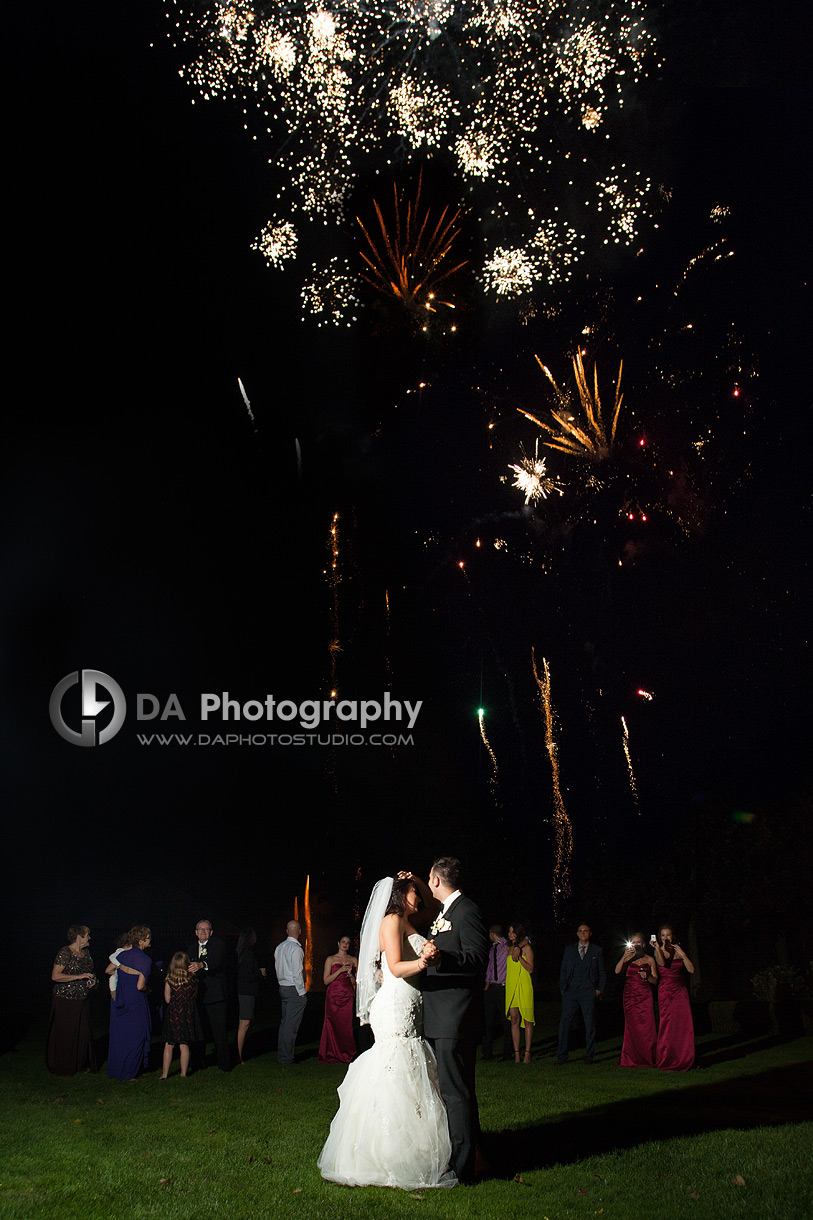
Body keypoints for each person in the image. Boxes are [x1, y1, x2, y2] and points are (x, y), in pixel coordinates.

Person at [318, 874, 455, 1189]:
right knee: (396, 1067)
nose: (418, 898)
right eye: (412, 893)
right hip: (395, 1002)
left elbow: (431, 899)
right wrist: (423, 962)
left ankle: (414, 1147)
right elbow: (394, 966)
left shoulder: (405, 919)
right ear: (399, 895)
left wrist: (414, 878)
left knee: (409, 1067)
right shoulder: (392, 921)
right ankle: (389, 1153)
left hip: (408, 1001)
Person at [421, 857, 490, 1185]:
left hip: (455, 1016)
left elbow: (477, 958)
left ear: (435, 880)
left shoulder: (467, 910)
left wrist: (442, 957)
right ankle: (474, 1155)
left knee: (455, 1092)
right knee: (456, 1090)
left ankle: (463, 1168)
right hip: (442, 1015)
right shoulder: (445, 911)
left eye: (428, 879)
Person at [46, 925, 98, 1076]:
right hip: (65, 1000)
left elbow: (90, 973)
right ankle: (63, 1065)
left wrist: (93, 981)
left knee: (83, 1033)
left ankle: (80, 1064)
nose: (90, 938)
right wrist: (77, 977)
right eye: (87, 935)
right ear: (79, 937)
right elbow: (55, 976)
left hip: (82, 999)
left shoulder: (86, 953)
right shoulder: (65, 952)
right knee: (66, 1033)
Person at [106, 925, 152, 1081]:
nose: (150, 940)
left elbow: (109, 970)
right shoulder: (145, 959)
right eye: (148, 938)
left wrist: (124, 970)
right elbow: (140, 986)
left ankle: (117, 1069)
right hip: (135, 1000)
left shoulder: (123, 955)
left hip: (120, 998)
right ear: (141, 941)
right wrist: (148, 990)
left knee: (121, 1035)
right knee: (136, 1035)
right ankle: (129, 1073)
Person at [557, 922, 606, 1064]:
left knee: (589, 1024)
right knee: (564, 1024)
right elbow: (564, 970)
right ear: (577, 933)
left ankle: (589, 1056)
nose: (583, 933)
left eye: (586, 931)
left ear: (590, 934)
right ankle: (561, 1055)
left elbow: (602, 972)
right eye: (580, 931)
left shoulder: (597, 951)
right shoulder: (569, 949)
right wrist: (563, 988)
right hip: (570, 991)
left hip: (588, 992)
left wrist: (598, 990)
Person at [187, 919, 230, 1071]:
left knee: (219, 1031)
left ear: (211, 932)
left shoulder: (218, 945)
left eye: (206, 929)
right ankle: (198, 1063)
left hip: (215, 995)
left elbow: (216, 961)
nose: (203, 932)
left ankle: (224, 1064)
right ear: (196, 932)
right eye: (200, 929)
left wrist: (202, 965)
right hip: (197, 996)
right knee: (198, 1031)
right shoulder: (191, 948)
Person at [653, 924, 696, 1070]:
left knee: (683, 1024)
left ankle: (685, 1057)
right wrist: (658, 948)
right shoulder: (658, 951)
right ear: (660, 937)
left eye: (668, 935)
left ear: (673, 937)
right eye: (663, 935)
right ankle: (667, 1057)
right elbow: (661, 963)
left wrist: (683, 955)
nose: (666, 938)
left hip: (680, 991)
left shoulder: (679, 952)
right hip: (666, 991)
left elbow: (691, 969)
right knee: (668, 1024)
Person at [615, 933, 658, 1067]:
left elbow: (655, 980)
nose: (636, 945)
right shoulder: (628, 959)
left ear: (643, 944)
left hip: (645, 995)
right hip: (630, 996)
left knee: (647, 1027)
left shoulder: (650, 959)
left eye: (638, 942)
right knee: (631, 1027)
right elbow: (617, 971)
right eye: (633, 942)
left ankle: (648, 1057)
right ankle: (631, 1058)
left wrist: (647, 977)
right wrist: (624, 956)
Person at [161, 951, 203, 1078]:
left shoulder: (169, 979)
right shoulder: (193, 979)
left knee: (169, 1044)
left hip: (173, 1014)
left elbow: (167, 999)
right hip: (187, 1014)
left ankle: (164, 1074)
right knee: (184, 1044)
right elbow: (195, 995)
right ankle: (183, 1073)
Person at [319, 934, 358, 1064]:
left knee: (346, 1026)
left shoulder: (353, 960)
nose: (345, 945)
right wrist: (339, 970)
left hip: (347, 995)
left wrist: (350, 974)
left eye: (347, 943)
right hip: (333, 996)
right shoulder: (330, 959)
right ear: (338, 943)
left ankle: (347, 1053)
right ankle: (331, 1052)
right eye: (343, 942)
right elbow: (325, 980)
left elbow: (355, 982)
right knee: (332, 1024)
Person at [274, 920, 307, 1064]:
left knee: (285, 1023)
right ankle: (286, 1057)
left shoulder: (279, 947)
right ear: (299, 931)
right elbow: (297, 973)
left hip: (283, 987)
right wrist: (302, 991)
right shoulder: (296, 949)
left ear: (287, 931)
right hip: (293, 989)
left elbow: (277, 968)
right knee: (291, 1026)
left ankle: (282, 1055)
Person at [236, 927, 266, 1065]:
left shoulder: (242, 954)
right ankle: (239, 1056)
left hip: (245, 991)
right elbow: (247, 976)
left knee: (246, 1023)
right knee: (244, 1023)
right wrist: (260, 973)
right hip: (247, 992)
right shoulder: (248, 955)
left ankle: (241, 1053)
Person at [482, 924, 512, 1061]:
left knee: (506, 1021)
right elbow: (490, 967)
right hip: (492, 987)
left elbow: (526, 940)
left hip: (503, 987)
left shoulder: (507, 945)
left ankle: (507, 1053)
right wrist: (487, 983)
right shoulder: (492, 948)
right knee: (488, 1021)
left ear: (492, 933)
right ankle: (487, 1053)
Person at [506, 923, 535, 1064]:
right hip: (512, 986)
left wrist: (521, 958)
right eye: (509, 931)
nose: (511, 934)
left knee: (528, 1020)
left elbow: (530, 969)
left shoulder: (527, 948)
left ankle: (527, 1053)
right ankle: (517, 1053)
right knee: (514, 1019)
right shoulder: (509, 948)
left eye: (513, 931)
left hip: (524, 985)